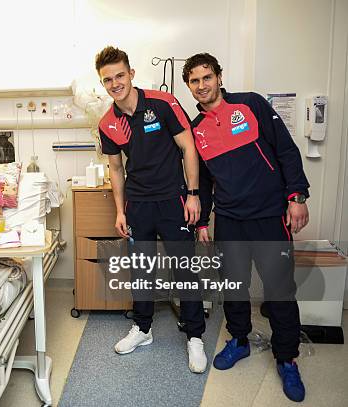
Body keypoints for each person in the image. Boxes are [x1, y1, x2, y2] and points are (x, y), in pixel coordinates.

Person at [182, 53, 310, 402]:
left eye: (207, 77)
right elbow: (204, 182)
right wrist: (204, 221)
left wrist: (297, 195)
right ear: (189, 87)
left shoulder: (251, 104)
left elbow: (285, 150)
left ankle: (287, 358)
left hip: (270, 215)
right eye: (194, 81)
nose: (202, 85)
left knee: (280, 290)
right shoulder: (196, 130)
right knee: (234, 286)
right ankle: (239, 340)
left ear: (219, 77)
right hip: (230, 220)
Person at [95, 46, 207, 373]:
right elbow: (116, 169)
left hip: (173, 199)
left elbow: (188, 147)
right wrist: (119, 211)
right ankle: (143, 329)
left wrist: (193, 194)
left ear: (131, 74)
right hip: (138, 204)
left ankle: (194, 335)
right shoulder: (108, 123)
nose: (115, 83)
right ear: (102, 84)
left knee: (184, 268)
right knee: (141, 269)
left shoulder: (162, 103)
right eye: (107, 80)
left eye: (119, 75)